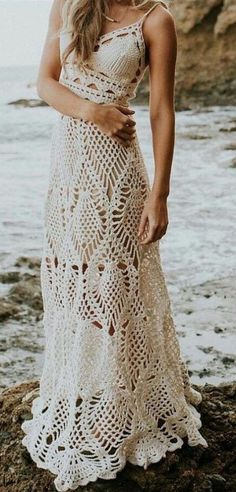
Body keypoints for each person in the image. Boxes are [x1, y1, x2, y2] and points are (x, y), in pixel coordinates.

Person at [21, 1, 208, 490]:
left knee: (119, 289)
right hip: (69, 173)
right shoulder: (68, 5)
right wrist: (93, 111)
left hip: (118, 175)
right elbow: (45, 82)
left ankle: (127, 402)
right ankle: (87, 388)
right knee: (74, 284)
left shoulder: (156, 20)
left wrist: (160, 195)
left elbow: (163, 109)